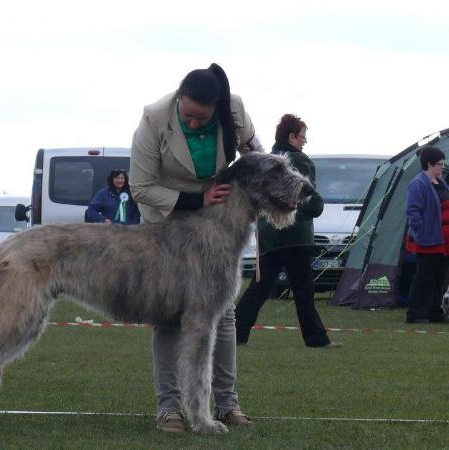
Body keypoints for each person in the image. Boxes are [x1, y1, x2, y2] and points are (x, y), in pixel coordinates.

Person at [130, 63, 263, 433]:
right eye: (186, 115)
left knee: (223, 311)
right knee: (168, 314)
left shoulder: (234, 109)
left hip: (216, 220)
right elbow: (140, 187)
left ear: (217, 108)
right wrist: (197, 198)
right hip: (167, 215)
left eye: (200, 118)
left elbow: (256, 155)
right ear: (178, 99)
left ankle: (227, 404)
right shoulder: (154, 118)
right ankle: (169, 408)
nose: (191, 123)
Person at [235, 114, 342, 349]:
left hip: (269, 235)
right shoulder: (300, 161)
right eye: (303, 136)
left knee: (260, 288)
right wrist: (318, 205)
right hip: (295, 236)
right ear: (292, 137)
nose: (305, 141)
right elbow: (307, 196)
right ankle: (316, 339)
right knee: (304, 291)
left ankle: (236, 333)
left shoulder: (266, 160)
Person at [405, 145, 449, 323]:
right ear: (429, 164)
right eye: (440, 164)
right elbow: (413, 211)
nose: (443, 167)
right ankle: (416, 313)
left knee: (439, 277)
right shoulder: (418, 184)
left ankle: (434, 311)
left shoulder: (442, 182)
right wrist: (421, 232)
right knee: (424, 277)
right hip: (427, 239)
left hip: (442, 239)